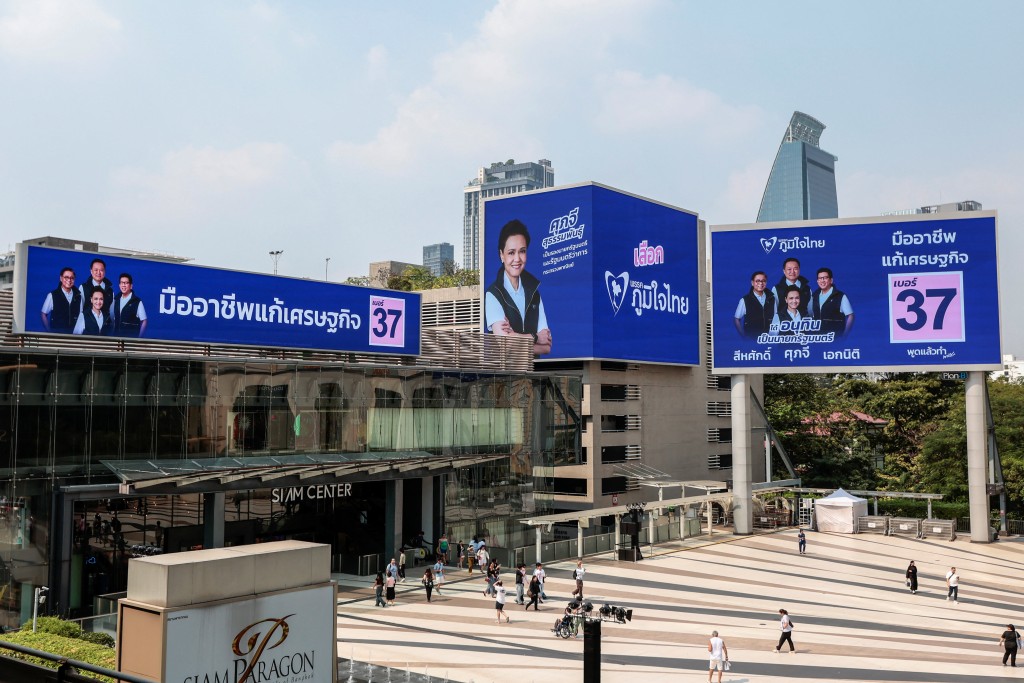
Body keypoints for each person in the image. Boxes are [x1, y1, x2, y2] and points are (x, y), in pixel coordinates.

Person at [484, 219, 552, 355]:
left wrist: (516, 336)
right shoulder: (493, 294)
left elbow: (547, 347)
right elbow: (506, 346)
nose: (517, 259)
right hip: (505, 374)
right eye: (511, 253)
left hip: (534, 373)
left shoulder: (534, 294)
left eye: (522, 251)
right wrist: (535, 337)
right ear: (501, 255)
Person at [810, 268, 854, 337]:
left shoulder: (840, 296)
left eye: (825, 278)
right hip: (818, 339)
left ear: (831, 280)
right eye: (820, 278)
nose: (822, 280)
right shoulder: (814, 296)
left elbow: (850, 316)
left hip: (835, 339)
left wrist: (845, 335)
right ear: (817, 281)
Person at [734, 271, 775, 338]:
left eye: (763, 281)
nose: (761, 283)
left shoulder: (772, 298)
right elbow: (736, 319)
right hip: (752, 339)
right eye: (757, 281)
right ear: (752, 283)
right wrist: (744, 336)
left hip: (768, 339)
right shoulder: (745, 300)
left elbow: (776, 317)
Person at [40, 267, 82, 333]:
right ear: (61, 278)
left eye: (72, 278)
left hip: (74, 336)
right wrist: (49, 331)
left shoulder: (78, 296)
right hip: (57, 336)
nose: (69, 280)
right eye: (66, 277)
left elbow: (81, 316)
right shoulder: (52, 295)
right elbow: (43, 314)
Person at [112, 273, 148, 337]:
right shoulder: (116, 300)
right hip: (117, 339)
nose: (123, 285)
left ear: (131, 286)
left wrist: (139, 338)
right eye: (122, 283)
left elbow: (144, 321)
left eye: (126, 283)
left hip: (130, 340)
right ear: (119, 285)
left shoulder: (137, 301)